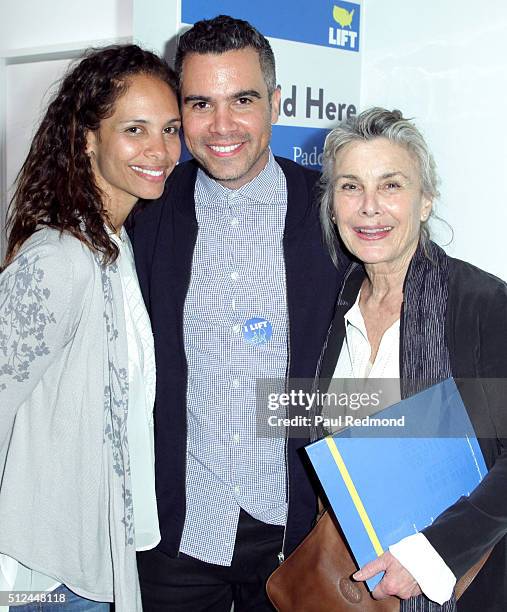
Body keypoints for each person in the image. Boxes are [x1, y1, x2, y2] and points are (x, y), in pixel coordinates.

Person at [128, 14, 347, 611]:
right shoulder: (144, 215)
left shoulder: (336, 215)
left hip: (296, 532)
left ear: (275, 103)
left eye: (242, 99)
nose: (222, 125)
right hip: (175, 531)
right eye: (201, 103)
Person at [0, 45, 181, 611]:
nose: (160, 150)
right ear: (87, 139)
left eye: (171, 129)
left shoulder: (115, 248)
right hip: (44, 572)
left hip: (92, 561)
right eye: (136, 129)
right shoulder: (62, 259)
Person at [315, 107, 507, 611]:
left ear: (426, 200)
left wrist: (430, 555)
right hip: (350, 586)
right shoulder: (333, 306)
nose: (369, 208)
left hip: (459, 585)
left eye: (392, 185)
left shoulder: (482, 305)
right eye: (350, 186)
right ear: (332, 204)